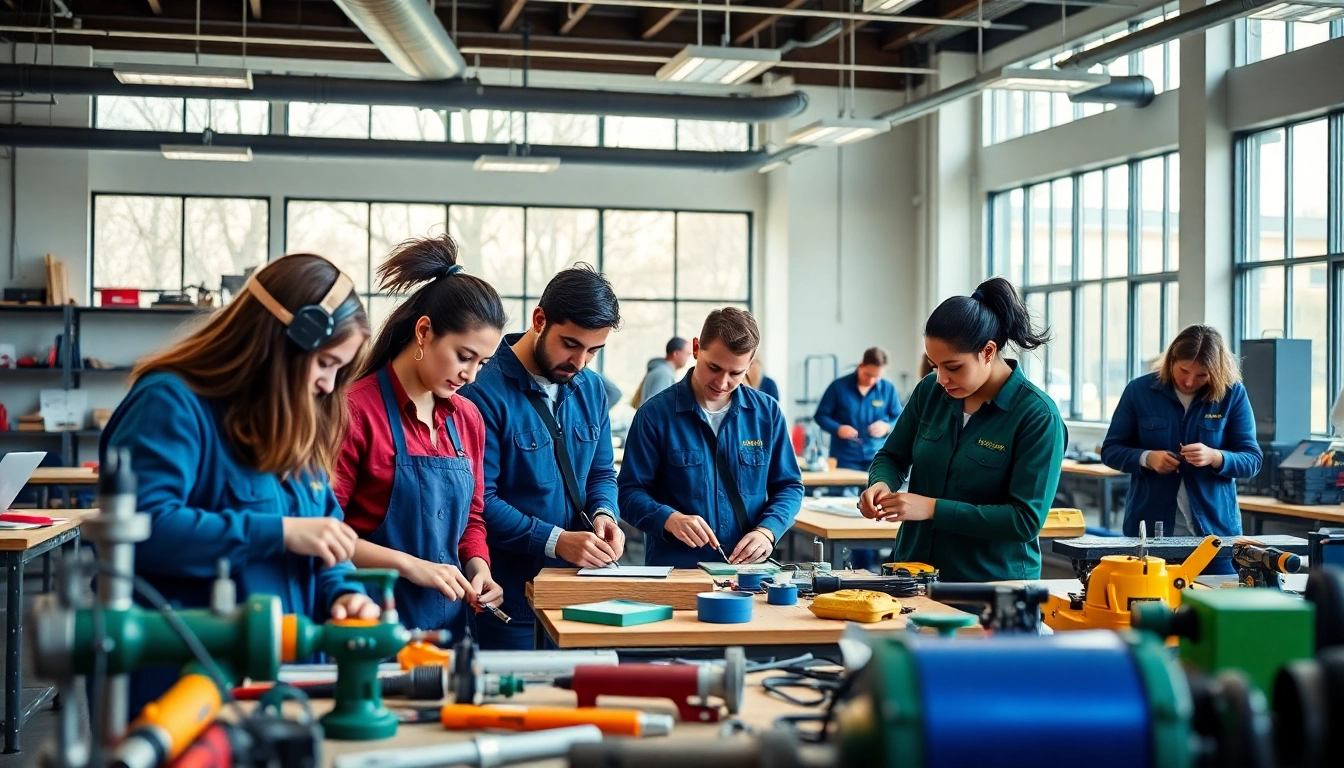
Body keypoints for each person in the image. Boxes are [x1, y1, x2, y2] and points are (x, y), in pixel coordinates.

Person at [100, 253, 379, 707]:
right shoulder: (171, 403)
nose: (328, 385)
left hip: (279, 685)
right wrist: (280, 532)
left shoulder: (293, 417)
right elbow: (141, 530)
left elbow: (326, 538)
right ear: (284, 340)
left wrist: (344, 594)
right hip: (184, 689)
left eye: (339, 371)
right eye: (325, 363)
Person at [335, 235, 505, 638]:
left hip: (449, 630)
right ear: (424, 331)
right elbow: (325, 532)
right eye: (464, 356)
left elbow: (473, 520)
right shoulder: (353, 412)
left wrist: (479, 568)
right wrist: (412, 565)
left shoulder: (468, 418)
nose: (471, 375)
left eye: (482, 362)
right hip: (369, 624)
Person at [460, 265, 625, 649]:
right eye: (570, 344)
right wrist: (556, 541)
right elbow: (480, 504)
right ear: (539, 320)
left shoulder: (592, 388)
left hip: (582, 593)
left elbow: (601, 472)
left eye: (593, 351)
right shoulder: (480, 391)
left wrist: (604, 514)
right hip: (508, 600)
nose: (580, 362)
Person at [859, 278, 1066, 582]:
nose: (941, 377)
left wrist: (932, 509)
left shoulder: (1036, 415)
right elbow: (892, 455)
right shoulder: (930, 391)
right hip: (912, 575)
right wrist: (881, 483)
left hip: (990, 589)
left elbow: (1023, 521)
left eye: (953, 367)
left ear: (987, 351)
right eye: (934, 365)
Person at [619, 308, 803, 568]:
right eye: (713, 367)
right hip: (678, 573)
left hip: (748, 574)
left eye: (736, 373)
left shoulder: (768, 414)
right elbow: (628, 493)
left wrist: (767, 532)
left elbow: (789, 487)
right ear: (696, 349)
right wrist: (668, 519)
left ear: (749, 366)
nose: (722, 382)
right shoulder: (654, 415)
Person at [1101, 325, 1261, 550]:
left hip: (1216, 535)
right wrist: (1147, 458)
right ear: (1171, 360)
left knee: (1219, 586)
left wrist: (1215, 457)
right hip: (1149, 532)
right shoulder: (1139, 391)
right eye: (1184, 370)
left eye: (1202, 375)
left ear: (1216, 372)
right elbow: (1111, 450)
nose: (1189, 382)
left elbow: (1252, 460)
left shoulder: (1232, 394)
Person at [814, 347, 903, 473]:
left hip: (877, 456)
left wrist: (888, 426)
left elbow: (901, 417)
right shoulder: (838, 387)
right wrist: (838, 429)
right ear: (860, 365)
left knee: (876, 492)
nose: (871, 380)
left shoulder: (888, 389)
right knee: (842, 492)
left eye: (876, 376)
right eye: (867, 375)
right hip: (844, 457)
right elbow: (820, 416)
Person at [634, 337, 691, 407]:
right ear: (676, 353)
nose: (688, 358)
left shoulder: (662, 372)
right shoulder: (663, 374)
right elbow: (655, 407)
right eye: (687, 354)